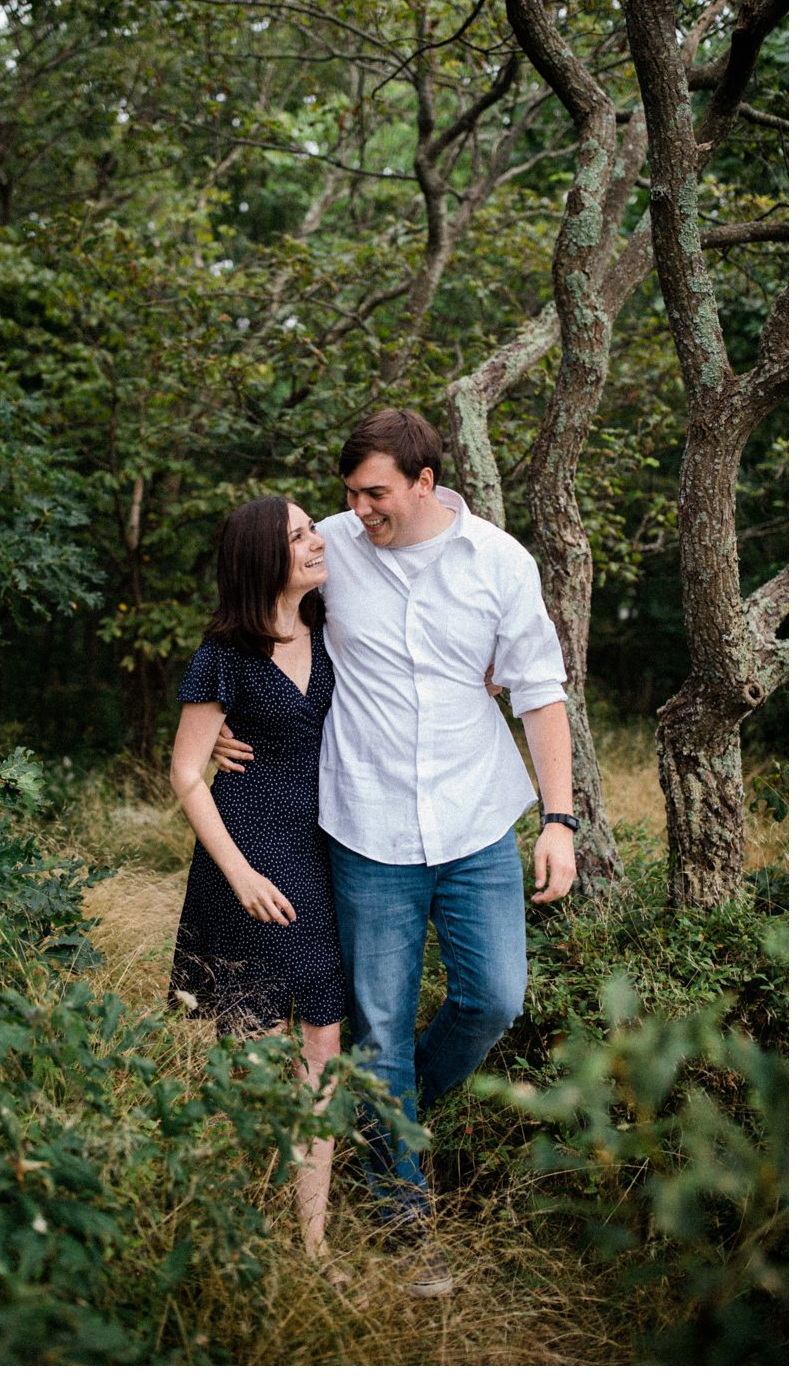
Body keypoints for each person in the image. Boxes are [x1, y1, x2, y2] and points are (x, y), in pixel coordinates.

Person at [217, 408, 577, 1299]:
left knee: (494, 998)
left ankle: (382, 1116)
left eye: (375, 492)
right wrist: (220, 720)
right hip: (367, 823)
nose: (358, 508)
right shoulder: (331, 546)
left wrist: (561, 821)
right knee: (375, 1025)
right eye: (349, 493)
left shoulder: (500, 562)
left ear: (424, 481)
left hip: (476, 820)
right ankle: (402, 1215)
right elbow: (255, 616)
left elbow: (539, 693)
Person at [168, 494, 343, 1263]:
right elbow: (183, 771)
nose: (316, 541)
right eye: (299, 535)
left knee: (323, 1041)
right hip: (245, 858)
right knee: (259, 1052)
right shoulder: (225, 655)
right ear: (262, 560)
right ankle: (250, 1224)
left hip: (320, 854)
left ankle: (312, 1243)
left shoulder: (333, 626)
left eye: (311, 529)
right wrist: (236, 872)